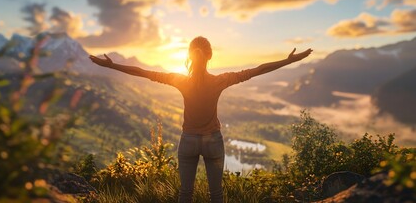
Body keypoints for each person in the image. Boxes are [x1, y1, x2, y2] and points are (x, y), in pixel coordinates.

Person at [89, 36, 312, 203]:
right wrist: (287, 60)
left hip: (188, 141)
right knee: (216, 194)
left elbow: (142, 71)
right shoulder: (220, 80)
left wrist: (112, 65)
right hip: (213, 141)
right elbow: (259, 70)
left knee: (185, 194)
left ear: (189, 55)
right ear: (210, 56)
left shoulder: (179, 80)